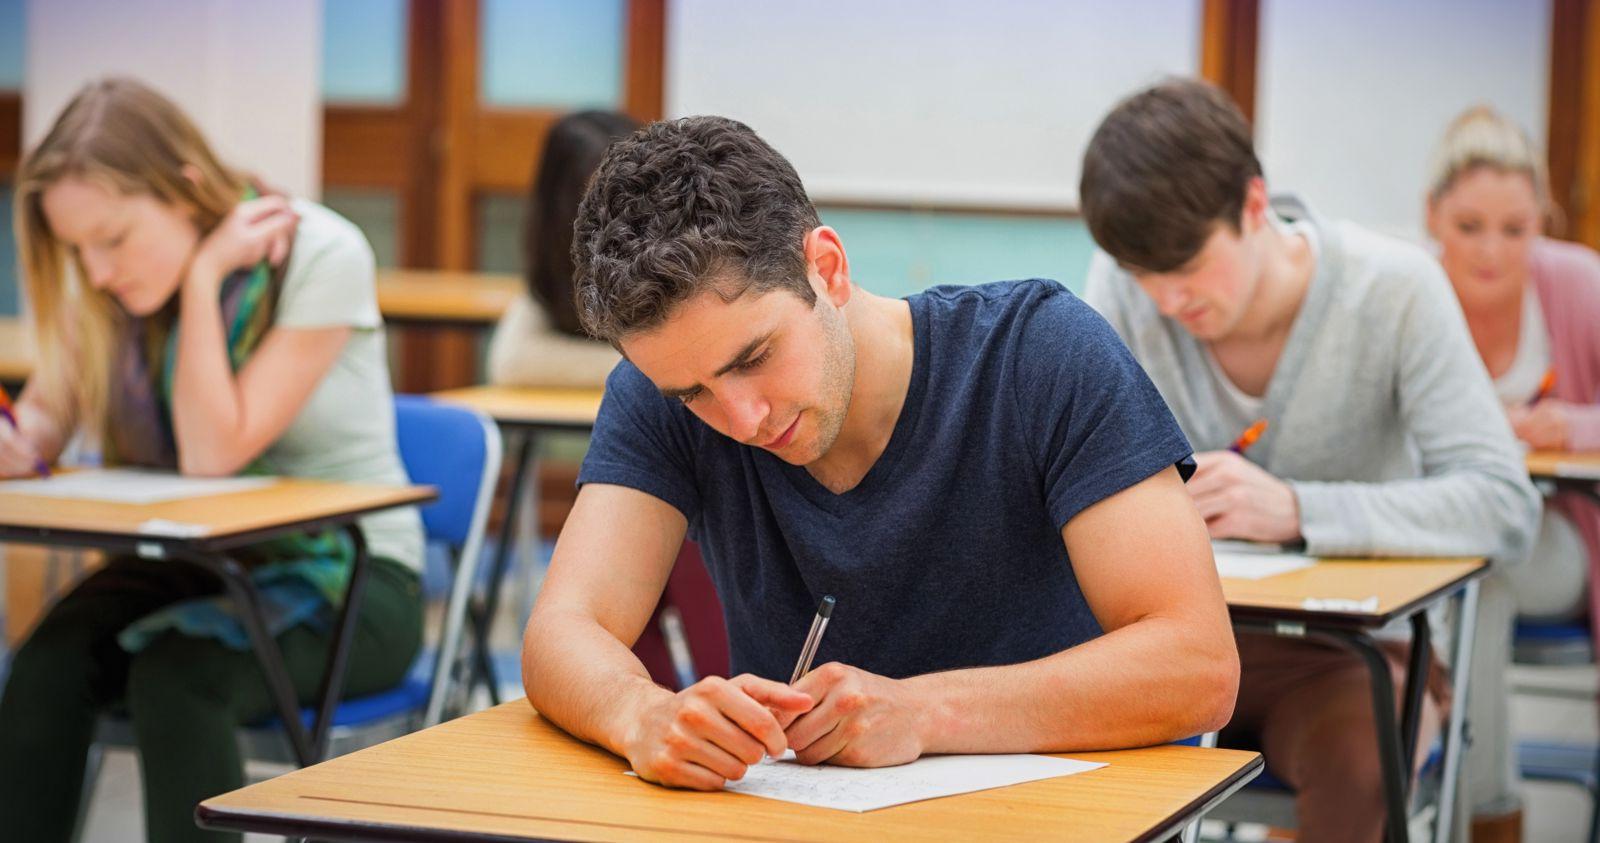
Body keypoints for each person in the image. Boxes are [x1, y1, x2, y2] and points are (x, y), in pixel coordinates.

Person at [520, 115, 1240, 790]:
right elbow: (563, 630)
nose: (741, 417)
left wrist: (926, 712)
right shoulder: (659, 398)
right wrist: (640, 713)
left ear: (826, 268)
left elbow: (1197, 664)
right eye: (693, 393)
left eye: (755, 356)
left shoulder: (1040, 354)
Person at [1080, 79, 1540, 843]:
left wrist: (1300, 509)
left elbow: (1505, 504)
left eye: (1188, 264)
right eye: (1141, 274)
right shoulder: (1123, 292)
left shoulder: (1393, 291)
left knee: (1360, 758)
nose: (1165, 299)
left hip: (1347, 662)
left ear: (1255, 206)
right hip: (1168, 649)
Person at [0, 77, 423, 843]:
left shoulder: (320, 253)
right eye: (77, 249)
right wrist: (15, 441)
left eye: (114, 240)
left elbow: (211, 452)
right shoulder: (112, 294)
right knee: (46, 663)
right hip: (199, 565)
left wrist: (201, 281)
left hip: (354, 582)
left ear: (187, 191)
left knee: (177, 675)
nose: (96, 271)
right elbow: (37, 428)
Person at [1426, 104, 1600, 841]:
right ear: (1432, 217)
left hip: (1556, 541)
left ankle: (1489, 819)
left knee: (1481, 575)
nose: (1492, 250)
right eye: (1469, 227)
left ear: (1542, 220)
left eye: (1515, 228)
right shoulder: (1411, 293)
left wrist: (1574, 424)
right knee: (1460, 579)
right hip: (1435, 532)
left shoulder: (1579, 283)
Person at [485, 110, 636, 388]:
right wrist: (652, 369)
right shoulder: (557, 264)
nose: (616, 213)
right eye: (596, 196)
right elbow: (512, 362)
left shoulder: (671, 252)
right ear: (563, 203)